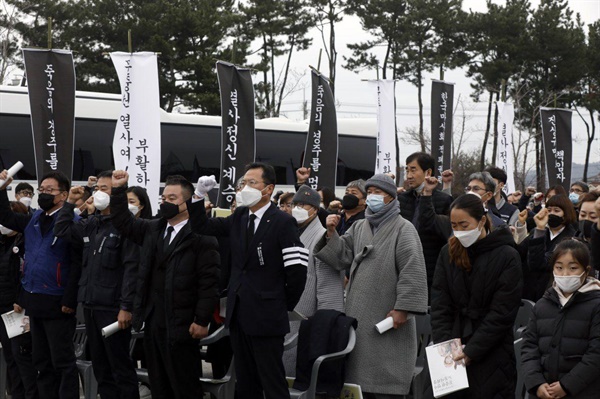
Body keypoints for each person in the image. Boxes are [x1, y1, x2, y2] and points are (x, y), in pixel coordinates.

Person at [190, 163, 308, 399]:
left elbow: (296, 270)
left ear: (269, 189)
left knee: (272, 380)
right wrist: (198, 195)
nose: (245, 188)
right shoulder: (240, 216)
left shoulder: (282, 222)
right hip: (239, 313)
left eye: (252, 183)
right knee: (245, 382)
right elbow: (202, 226)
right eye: (244, 183)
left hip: (267, 314)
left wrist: (280, 304)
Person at [315, 173, 428, 398]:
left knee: (385, 381)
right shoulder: (359, 227)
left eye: (378, 193)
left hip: (388, 314)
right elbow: (341, 256)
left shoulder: (404, 229)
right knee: (357, 381)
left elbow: (412, 270)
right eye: (371, 193)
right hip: (358, 312)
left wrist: (403, 309)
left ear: (391, 198)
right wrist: (330, 232)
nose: (373, 197)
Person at [110, 171, 219, 399]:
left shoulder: (202, 236)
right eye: (163, 198)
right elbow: (123, 222)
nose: (165, 202)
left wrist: (201, 320)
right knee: (158, 381)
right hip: (153, 318)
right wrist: (119, 190)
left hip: (183, 321)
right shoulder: (153, 228)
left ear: (187, 203)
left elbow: (209, 283)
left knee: (183, 383)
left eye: (172, 199)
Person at [53, 170, 140, 399]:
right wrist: (70, 202)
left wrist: (126, 307)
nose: (100, 193)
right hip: (91, 305)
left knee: (120, 367)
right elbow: (61, 230)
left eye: (106, 189)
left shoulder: (126, 228)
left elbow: (131, 269)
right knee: (101, 368)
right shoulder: (92, 223)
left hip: (113, 308)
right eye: (98, 188)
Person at [431, 194, 522, 398]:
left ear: (481, 221)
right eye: (454, 225)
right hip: (453, 348)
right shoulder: (448, 252)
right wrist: (447, 346)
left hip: (492, 351)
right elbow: (440, 304)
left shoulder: (507, 255)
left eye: (464, 225)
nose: (460, 231)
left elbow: (502, 312)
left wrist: (472, 350)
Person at [0, 170, 81, 399]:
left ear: (63, 195)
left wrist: (69, 298)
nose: (43, 194)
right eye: (41, 190)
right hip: (34, 299)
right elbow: (6, 217)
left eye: (49, 190)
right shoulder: (35, 218)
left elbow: (76, 264)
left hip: (58, 300)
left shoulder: (70, 221)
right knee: (41, 361)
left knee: (62, 361)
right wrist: (2, 189)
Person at [521, 239, 600, 399]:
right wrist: (536, 382)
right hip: (543, 392)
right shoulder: (542, 305)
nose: (565, 274)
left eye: (573, 268)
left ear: (586, 270)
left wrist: (567, 385)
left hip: (583, 391)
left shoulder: (596, 305)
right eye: (559, 268)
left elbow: (596, 354)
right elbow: (529, 347)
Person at [282, 185, 345, 376]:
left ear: (316, 210)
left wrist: (323, 325)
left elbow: (329, 289)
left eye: (304, 205)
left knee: (299, 372)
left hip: (307, 317)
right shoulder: (290, 232)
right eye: (295, 204)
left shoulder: (322, 238)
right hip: (287, 312)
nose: (298, 208)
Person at [0, 201, 39, 399]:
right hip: (3, 308)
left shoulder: (24, 243)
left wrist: (21, 299)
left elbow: (27, 274)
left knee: (21, 356)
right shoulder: (3, 241)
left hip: (18, 309)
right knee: (10, 357)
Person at [398, 152, 452, 291]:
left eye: (413, 170)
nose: (409, 175)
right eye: (407, 170)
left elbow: (437, 229)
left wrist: (427, 195)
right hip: (402, 263)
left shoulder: (443, 200)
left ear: (428, 172)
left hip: (429, 267)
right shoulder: (401, 199)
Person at [521, 194, 578, 302]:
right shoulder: (536, 232)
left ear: (566, 214)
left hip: (551, 295)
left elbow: (540, 263)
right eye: (549, 210)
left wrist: (540, 230)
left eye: (556, 211)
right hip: (528, 292)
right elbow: (520, 252)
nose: (551, 214)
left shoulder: (571, 238)